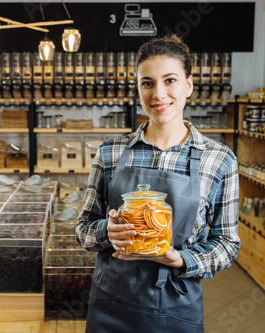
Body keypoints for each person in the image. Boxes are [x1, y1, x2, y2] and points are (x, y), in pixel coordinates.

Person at [75, 35, 240, 333]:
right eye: (147, 83)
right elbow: (83, 230)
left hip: (176, 305)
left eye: (170, 80)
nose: (158, 93)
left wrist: (181, 260)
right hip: (112, 301)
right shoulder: (110, 152)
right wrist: (107, 232)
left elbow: (227, 245)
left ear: (188, 85)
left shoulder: (219, 160)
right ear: (138, 88)